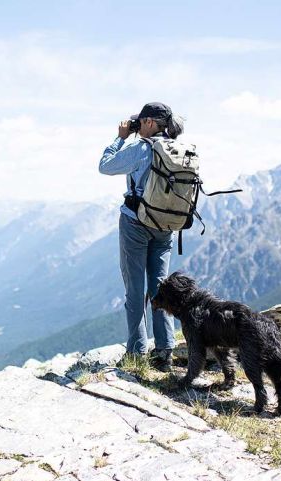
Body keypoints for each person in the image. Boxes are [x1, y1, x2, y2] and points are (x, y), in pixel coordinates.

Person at [98, 102, 185, 372]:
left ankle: (136, 352)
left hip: (136, 223)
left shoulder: (141, 147)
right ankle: (164, 352)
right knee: (160, 288)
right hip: (166, 224)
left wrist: (120, 138)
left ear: (149, 123)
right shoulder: (177, 150)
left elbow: (106, 166)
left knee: (135, 290)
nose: (136, 127)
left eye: (140, 122)